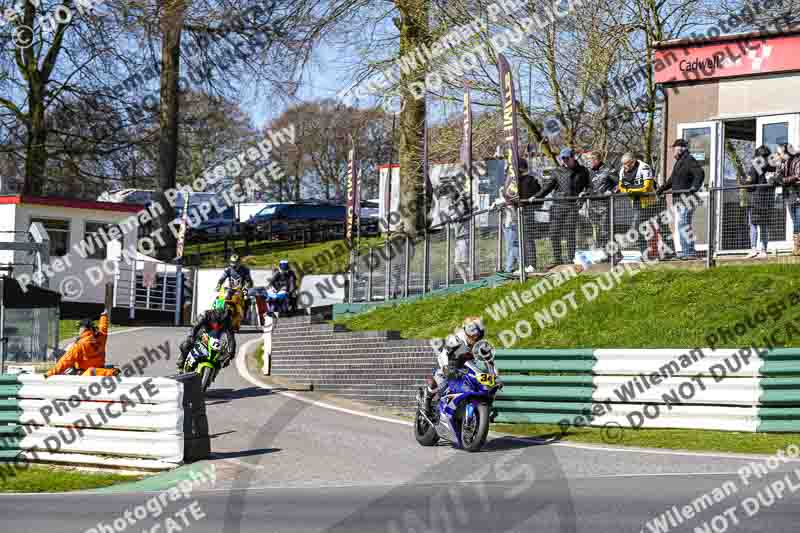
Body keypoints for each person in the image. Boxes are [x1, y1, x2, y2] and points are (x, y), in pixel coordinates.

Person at [534, 148, 590, 268]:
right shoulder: (557, 171)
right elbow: (547, 188)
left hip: (572, 206)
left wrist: (583, 197)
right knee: (554, 233)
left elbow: (589, 187)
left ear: (573, 157)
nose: (564, 161)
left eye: (567, 158)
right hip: (558, 206)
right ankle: (557, 259)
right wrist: (535, 197)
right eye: (562, 158)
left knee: (570, 233)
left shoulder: (582, 171)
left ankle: (571, 258)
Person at [420, 316, 485, 416]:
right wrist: (446, 368)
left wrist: (493, 372)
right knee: (441, 381)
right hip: (447, 364)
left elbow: (487, 360)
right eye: (475, 335)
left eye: (479, 335)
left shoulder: (479, 344)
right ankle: (427, 398)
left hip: (464, 369)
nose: (476, 338)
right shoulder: (456, 339)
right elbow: (444, 353)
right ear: (469, 332)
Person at [618, 153, 674, 261]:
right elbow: (621, 187)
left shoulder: (644, 167)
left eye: (628, 164)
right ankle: (645, 254)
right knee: (637, 229)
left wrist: (630, 190)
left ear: (633, 161)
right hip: (638, 204)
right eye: (624, 165)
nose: (626, 167)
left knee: (662, 227)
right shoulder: (622, 170)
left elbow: (646, 187)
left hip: (653, 203)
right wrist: (632, 190)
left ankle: (670, 251)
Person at [656, 139, 705, 259]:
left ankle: (689, 252)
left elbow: (700, 173)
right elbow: (672, 180)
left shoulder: (689, 160)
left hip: (687, 198)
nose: (673, 150)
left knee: (683, 225)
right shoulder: (679, 162)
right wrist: (661, 189)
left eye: (675, 148)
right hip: (679, 199)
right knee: (682, 225)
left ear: (681, 148)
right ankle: (686, 251)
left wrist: (694, 187)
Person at [493, 158, 540, 273]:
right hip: (518, 212)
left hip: (526, 212)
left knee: (527, 239)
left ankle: (531, 264)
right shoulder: (516, 181)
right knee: (519, 240)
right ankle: (523, 265)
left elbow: (531, 194)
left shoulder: (528, 180)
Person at [175, 301, 237, 371]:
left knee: (225, 357)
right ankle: (181, 364)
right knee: (186, 345)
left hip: (216, 341)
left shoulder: (228, 321)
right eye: (220, 312)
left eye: (225, 312)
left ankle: (214, 372)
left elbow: (231, 338)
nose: (222, 315)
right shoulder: (206, 314)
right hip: (201, 336)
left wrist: (231, 353)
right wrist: (191, 337)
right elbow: (195, 326)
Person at [46, 311, 109, 377]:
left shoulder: (79, 344)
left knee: (65, 363)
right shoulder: (101, 336)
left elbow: (65, 361)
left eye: (80, 328)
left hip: (84, 373)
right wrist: (104, 316)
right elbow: (103, 327)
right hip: (99, 370)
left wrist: (49, 374)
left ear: (83, 328)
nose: (79, 330)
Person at [584, 152, 620, 262]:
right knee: (600, 231)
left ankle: (611, 255)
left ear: (597, 160)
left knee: (606, 230)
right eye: (588, 160)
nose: (589, 162)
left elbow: (619, 183)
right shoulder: (589, 172)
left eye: (591, 160)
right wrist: (584, 192)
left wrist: (612, 191)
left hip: (606, 204)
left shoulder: (608, 169)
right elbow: (588, 186)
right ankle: (614, 253)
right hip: (593, 204)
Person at [743, 145, 776, 258]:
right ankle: (764, 250)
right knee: (764, 225)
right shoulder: (773, 165)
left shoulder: (756, 164)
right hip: (768, 199)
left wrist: (745, 183)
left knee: (753, 224)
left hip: (756, 199)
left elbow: (750, 183)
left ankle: (753, 249)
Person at [773, 143, 800, 256]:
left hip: (798, 194)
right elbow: (778, 176)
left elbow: (798, 176)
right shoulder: (783, 163)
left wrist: (784, 180)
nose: (778, 155)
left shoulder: (797, 160)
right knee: (795, 221)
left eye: (780, 153)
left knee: (798, 221)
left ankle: (797, 248)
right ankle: (797, 248)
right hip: (790, 195)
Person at [216, 254, 253, 327]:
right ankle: (217, 317)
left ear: (239, 262)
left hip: (241, 290)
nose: (234, 265)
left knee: (247, 300)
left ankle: (245, 317)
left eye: (235, 263)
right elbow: (222, 279)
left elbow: (249, 281)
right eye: (232, 262)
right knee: (220, 299)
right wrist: (218, 285)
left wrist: (246, 287)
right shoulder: (228, 269)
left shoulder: (245, 269)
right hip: (230, 290)